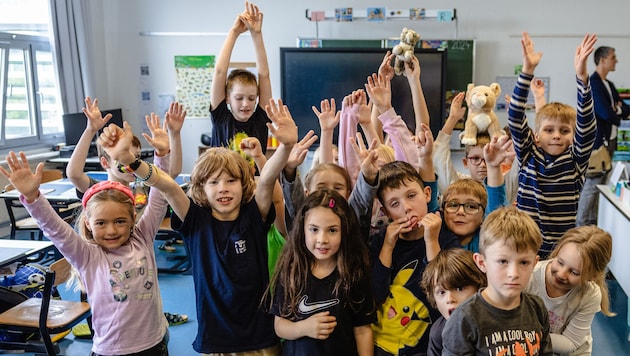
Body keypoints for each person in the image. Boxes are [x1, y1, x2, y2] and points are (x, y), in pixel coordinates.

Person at [96, 98, 297, 354]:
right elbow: (167, 185)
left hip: (261, 333)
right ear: (200, 189)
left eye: (231, 180)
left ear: (243, 184)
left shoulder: (253, 215)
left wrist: (286, 145)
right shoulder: (196, 220)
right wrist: (129, 160)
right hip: (217, 335)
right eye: (213, 182)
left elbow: (267, 179)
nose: (223, 187)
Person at [1, 154, 170, 355]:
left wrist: (162, 155)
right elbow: (55, 228)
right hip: (111, 350)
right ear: (89, 223)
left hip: (153, 344)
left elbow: (160, 196)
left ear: (133, 218)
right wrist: (32, 197)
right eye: (101, 223)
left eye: (120, 221)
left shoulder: (142, 238)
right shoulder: (86, 255)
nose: (111, 231)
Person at [508, 32, 598, 258]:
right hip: (523, 245)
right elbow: (515, 116)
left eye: (564, 131)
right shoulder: (528, 154)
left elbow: (587, 125)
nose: (557, 136)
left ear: (573, 134)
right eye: (549, 130)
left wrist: (582, 78)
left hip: (559, 251)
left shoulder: (575, 160)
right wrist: (527, 71)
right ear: (536, 135)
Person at [269, 189, 376, 355]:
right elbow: (279, 326)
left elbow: (363, 330)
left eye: (332, 230)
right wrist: (303, 328)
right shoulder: (291, 272)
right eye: (314, 229)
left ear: (345, 231)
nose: (322, 239)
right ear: (302, 229)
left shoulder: (354, 274)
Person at [370, 160, 459, 355]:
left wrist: (431, 241)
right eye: (395, 204)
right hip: (381, 345)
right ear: (385, 212)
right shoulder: (380, 242)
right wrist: (387, 246)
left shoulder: (445, 236)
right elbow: (376, 294)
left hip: (423, 347)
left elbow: (442, 291)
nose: (407, 207)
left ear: (427, 194)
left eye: (411, 196)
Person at [442, 206, 553, 355]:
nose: (513, 274)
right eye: (502, 261)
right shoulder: (464, 319)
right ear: (482, 263)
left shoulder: (537, 308)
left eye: (524, 263)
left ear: (534, 263)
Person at [525, 225, 615, 355]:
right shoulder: (530, 277)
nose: (561, 274)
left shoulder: (590, 294)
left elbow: (570, 343)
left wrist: (526, 336)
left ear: (591, 276)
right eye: (560, 262)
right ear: (557, 252)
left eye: (574, 272)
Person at [209, 1, 272, 156]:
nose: (246, 104)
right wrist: (234, 32)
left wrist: (256, 33)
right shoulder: (221, 117)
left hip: (254, 180)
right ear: (227, 98)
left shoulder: (260, 119)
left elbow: (264, 75)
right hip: (221, 179)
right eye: (239, 98)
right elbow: (219, 72)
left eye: (251, 98)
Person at [433, 91, 519, 204]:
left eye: (488, 159)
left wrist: (517, 119)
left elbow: (522, 163)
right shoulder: (457, 184)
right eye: (475, 158)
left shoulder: (505, 184)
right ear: (465, 162)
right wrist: (452, 118)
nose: (483, 165)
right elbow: (439, 159)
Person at [577, 46, 630, 226]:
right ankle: (581, 224)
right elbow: (606, 113)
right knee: (592, 185)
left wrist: (618, 110)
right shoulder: (593, 83)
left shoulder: (610, 85)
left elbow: (624, 109)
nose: (616, 61)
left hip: (610, 141)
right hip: (597, 143)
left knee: (602, 185)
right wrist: (617, 111)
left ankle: (592, 223)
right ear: (602, 60)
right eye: (613, 57)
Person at [438, 134, 512, 252]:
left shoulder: (485, 241)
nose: (461, 212)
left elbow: (496, 208)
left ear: (483, 215)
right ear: (442, 210)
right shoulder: (436, 238)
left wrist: (493, 167)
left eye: (471, 206)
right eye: (453, 205)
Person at [420, 248, 487, 356]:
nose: (450, 299)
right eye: (441, 292)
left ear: (480, 286)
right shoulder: (438, 332)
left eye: (460, 289)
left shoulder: (495, 319)